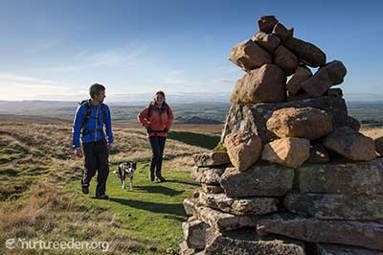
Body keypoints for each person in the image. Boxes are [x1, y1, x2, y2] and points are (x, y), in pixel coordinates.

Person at [72, 83, 113, 199]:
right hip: (87, 141)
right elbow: (76, 127)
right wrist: (76, 146)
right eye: (102, 94)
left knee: (104, 167)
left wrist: (110, 140)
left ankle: (100, 193)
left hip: (101, 140)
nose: (105, 96)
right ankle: (85, 182)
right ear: (95, 95)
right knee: (90, 167)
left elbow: (108, 125)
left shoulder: (105, 108)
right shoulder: (83, 108)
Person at [138, 91, 174, 182]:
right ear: (154, 98)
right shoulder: (150, 107)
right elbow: (140, 116)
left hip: (162, 133)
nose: (159, 99)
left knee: (160, 155)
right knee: (156, 153)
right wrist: (147, 125)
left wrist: (167, 127)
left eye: (161, 97)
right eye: (157, 97)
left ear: (164, 98)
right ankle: (151, 173)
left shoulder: (166, 108)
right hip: (152, 133)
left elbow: (171, 117)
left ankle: (158, 174)